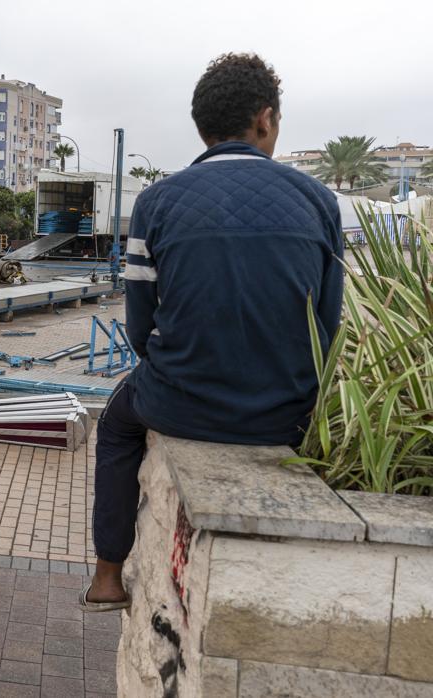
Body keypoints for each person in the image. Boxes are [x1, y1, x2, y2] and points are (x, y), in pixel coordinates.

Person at [80, 53, 343, 612]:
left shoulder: (156, 203)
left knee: (116, 426)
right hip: (287, 414)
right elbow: (328, 326)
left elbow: (141, 326)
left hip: (179, 404)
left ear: (202, 127)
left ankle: (107, 577)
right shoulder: (318, 202)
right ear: (265, 120)